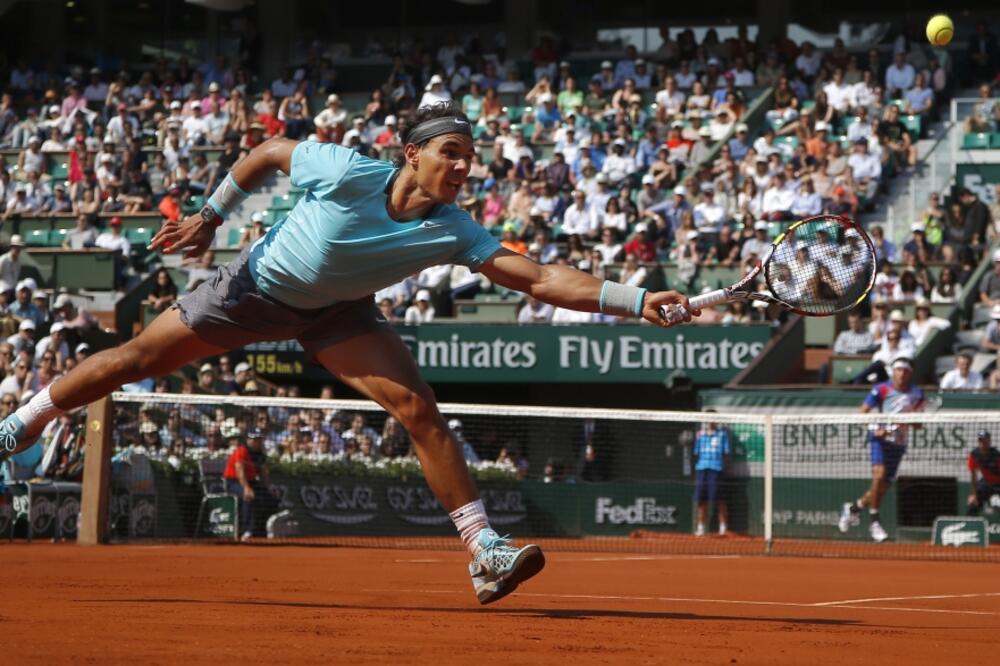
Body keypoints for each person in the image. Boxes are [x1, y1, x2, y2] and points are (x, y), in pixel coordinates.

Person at [0, 101, 695, 605]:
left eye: (469, 157)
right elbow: (268, 152)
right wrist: (212, 215)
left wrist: (634, 298)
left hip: (338, 314)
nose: (463, 167)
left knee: (419, 410)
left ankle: (485, 550)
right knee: (134, 361)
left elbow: (539, 278)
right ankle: (22, 423)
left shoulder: (455, 228)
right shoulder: (345, 169)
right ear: (412, 155)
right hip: (252, 290)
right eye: (450, 152)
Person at [839, 357, 925, 542]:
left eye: (905, 371)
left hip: (899, 443)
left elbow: (919, 425)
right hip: (879, 440)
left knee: (882, 488)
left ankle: (854, 508)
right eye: (898, 370)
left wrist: (910, 420)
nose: (901, 374)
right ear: (893, 372)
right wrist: (875, 429)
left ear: (910, 373)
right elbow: (862, 413)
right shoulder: (881, 389)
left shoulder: (917, 393)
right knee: (878, 476)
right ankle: (875, 522)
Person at [222, 427, 274, 541]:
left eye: (259, 439)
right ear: (248, 440)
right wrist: (246, 488)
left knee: (268, 497)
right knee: (248, 496)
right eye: (254, 439)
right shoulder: (241, 450)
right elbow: (239, 471)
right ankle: (246, 530)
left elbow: (264, 473)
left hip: (251, 481)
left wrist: (269, 488)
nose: (257, 441)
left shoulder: (260, 453)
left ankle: (262, 530)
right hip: (233, 481)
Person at [693, 417, 730, 536]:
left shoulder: (722, 435)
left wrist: (725, 469)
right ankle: (700, 527)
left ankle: (723, 527)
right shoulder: (700, 435)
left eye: (713, 419)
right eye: (708, 419)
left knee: (719, 499)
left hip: (716, 469)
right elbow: (696, 452)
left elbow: (726, 453)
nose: (710, 421)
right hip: (702, 468)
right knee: (701, 499)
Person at [966, 430, 1000, 517]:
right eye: (980, 440)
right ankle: (971, 524)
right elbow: (973, 475)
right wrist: (974, 495)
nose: (983, 443)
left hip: (998, 484)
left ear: (989, 441)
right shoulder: (974, 454)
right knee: (972, 504)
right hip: (986, 483)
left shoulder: (996, 455)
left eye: (985, 440)